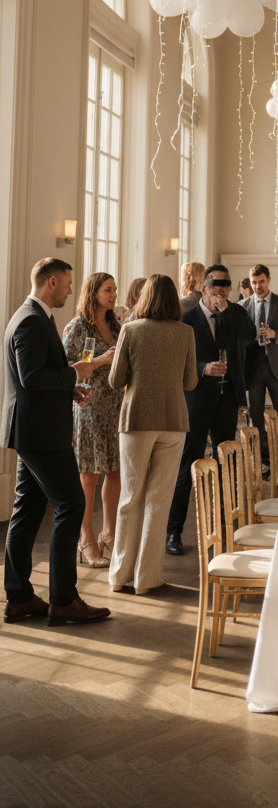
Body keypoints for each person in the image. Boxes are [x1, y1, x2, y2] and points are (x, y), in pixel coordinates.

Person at [2, 257, 109, 627]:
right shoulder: (31, 320)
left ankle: (18, 597)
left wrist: (70, 389)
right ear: (51, 282)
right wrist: (77, 373)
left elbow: (40, 378)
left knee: (27, 511)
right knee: (71, 503)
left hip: (34, 428)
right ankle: (64, 599)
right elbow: (32, 377)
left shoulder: (31, 316)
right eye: (66, 284)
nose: (69, 290)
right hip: (41, 433)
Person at [108, 275, 198, 595]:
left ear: (144, 297)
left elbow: (116, 380)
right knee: (159, 502)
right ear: (175, 300)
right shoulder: (186, 332)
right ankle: (147, 580)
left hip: (136, 420)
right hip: (174, 421)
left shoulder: (130, 330)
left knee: (130, 499)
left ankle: (119, 576)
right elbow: (190, 383)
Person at [166, 264, 256, 555]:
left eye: (226, 286)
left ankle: (223, 523)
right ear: (202, 289)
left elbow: (251, 333)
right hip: (195, 399)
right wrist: (203, 368)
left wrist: (227, 308)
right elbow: (175, 361)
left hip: (226, 400)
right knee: (187, 463)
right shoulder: (186, 318)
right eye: (215, 287)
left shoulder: (234, 314)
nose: (220, 291)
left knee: (224, 461)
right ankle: (173, 532)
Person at [63, 273, 123, 569]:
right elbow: (65, 368)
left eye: (115, 289)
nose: (114, 294)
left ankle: (109, 533)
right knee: (89, 475)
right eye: (108, 290)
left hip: (116, 405)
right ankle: (85, 537)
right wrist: (101, 360)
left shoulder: (116, 324)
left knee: (115, 470)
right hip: (88, 406)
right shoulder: (77, 326)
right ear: (93, 293)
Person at [242, 264, 278, 471]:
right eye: (254, 282)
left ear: (269, 280)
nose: (257, 286)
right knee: (255, 414)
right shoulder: (243, 306)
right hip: (253, 368)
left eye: (261, 282)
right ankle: (264, 461)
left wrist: (276, 335)